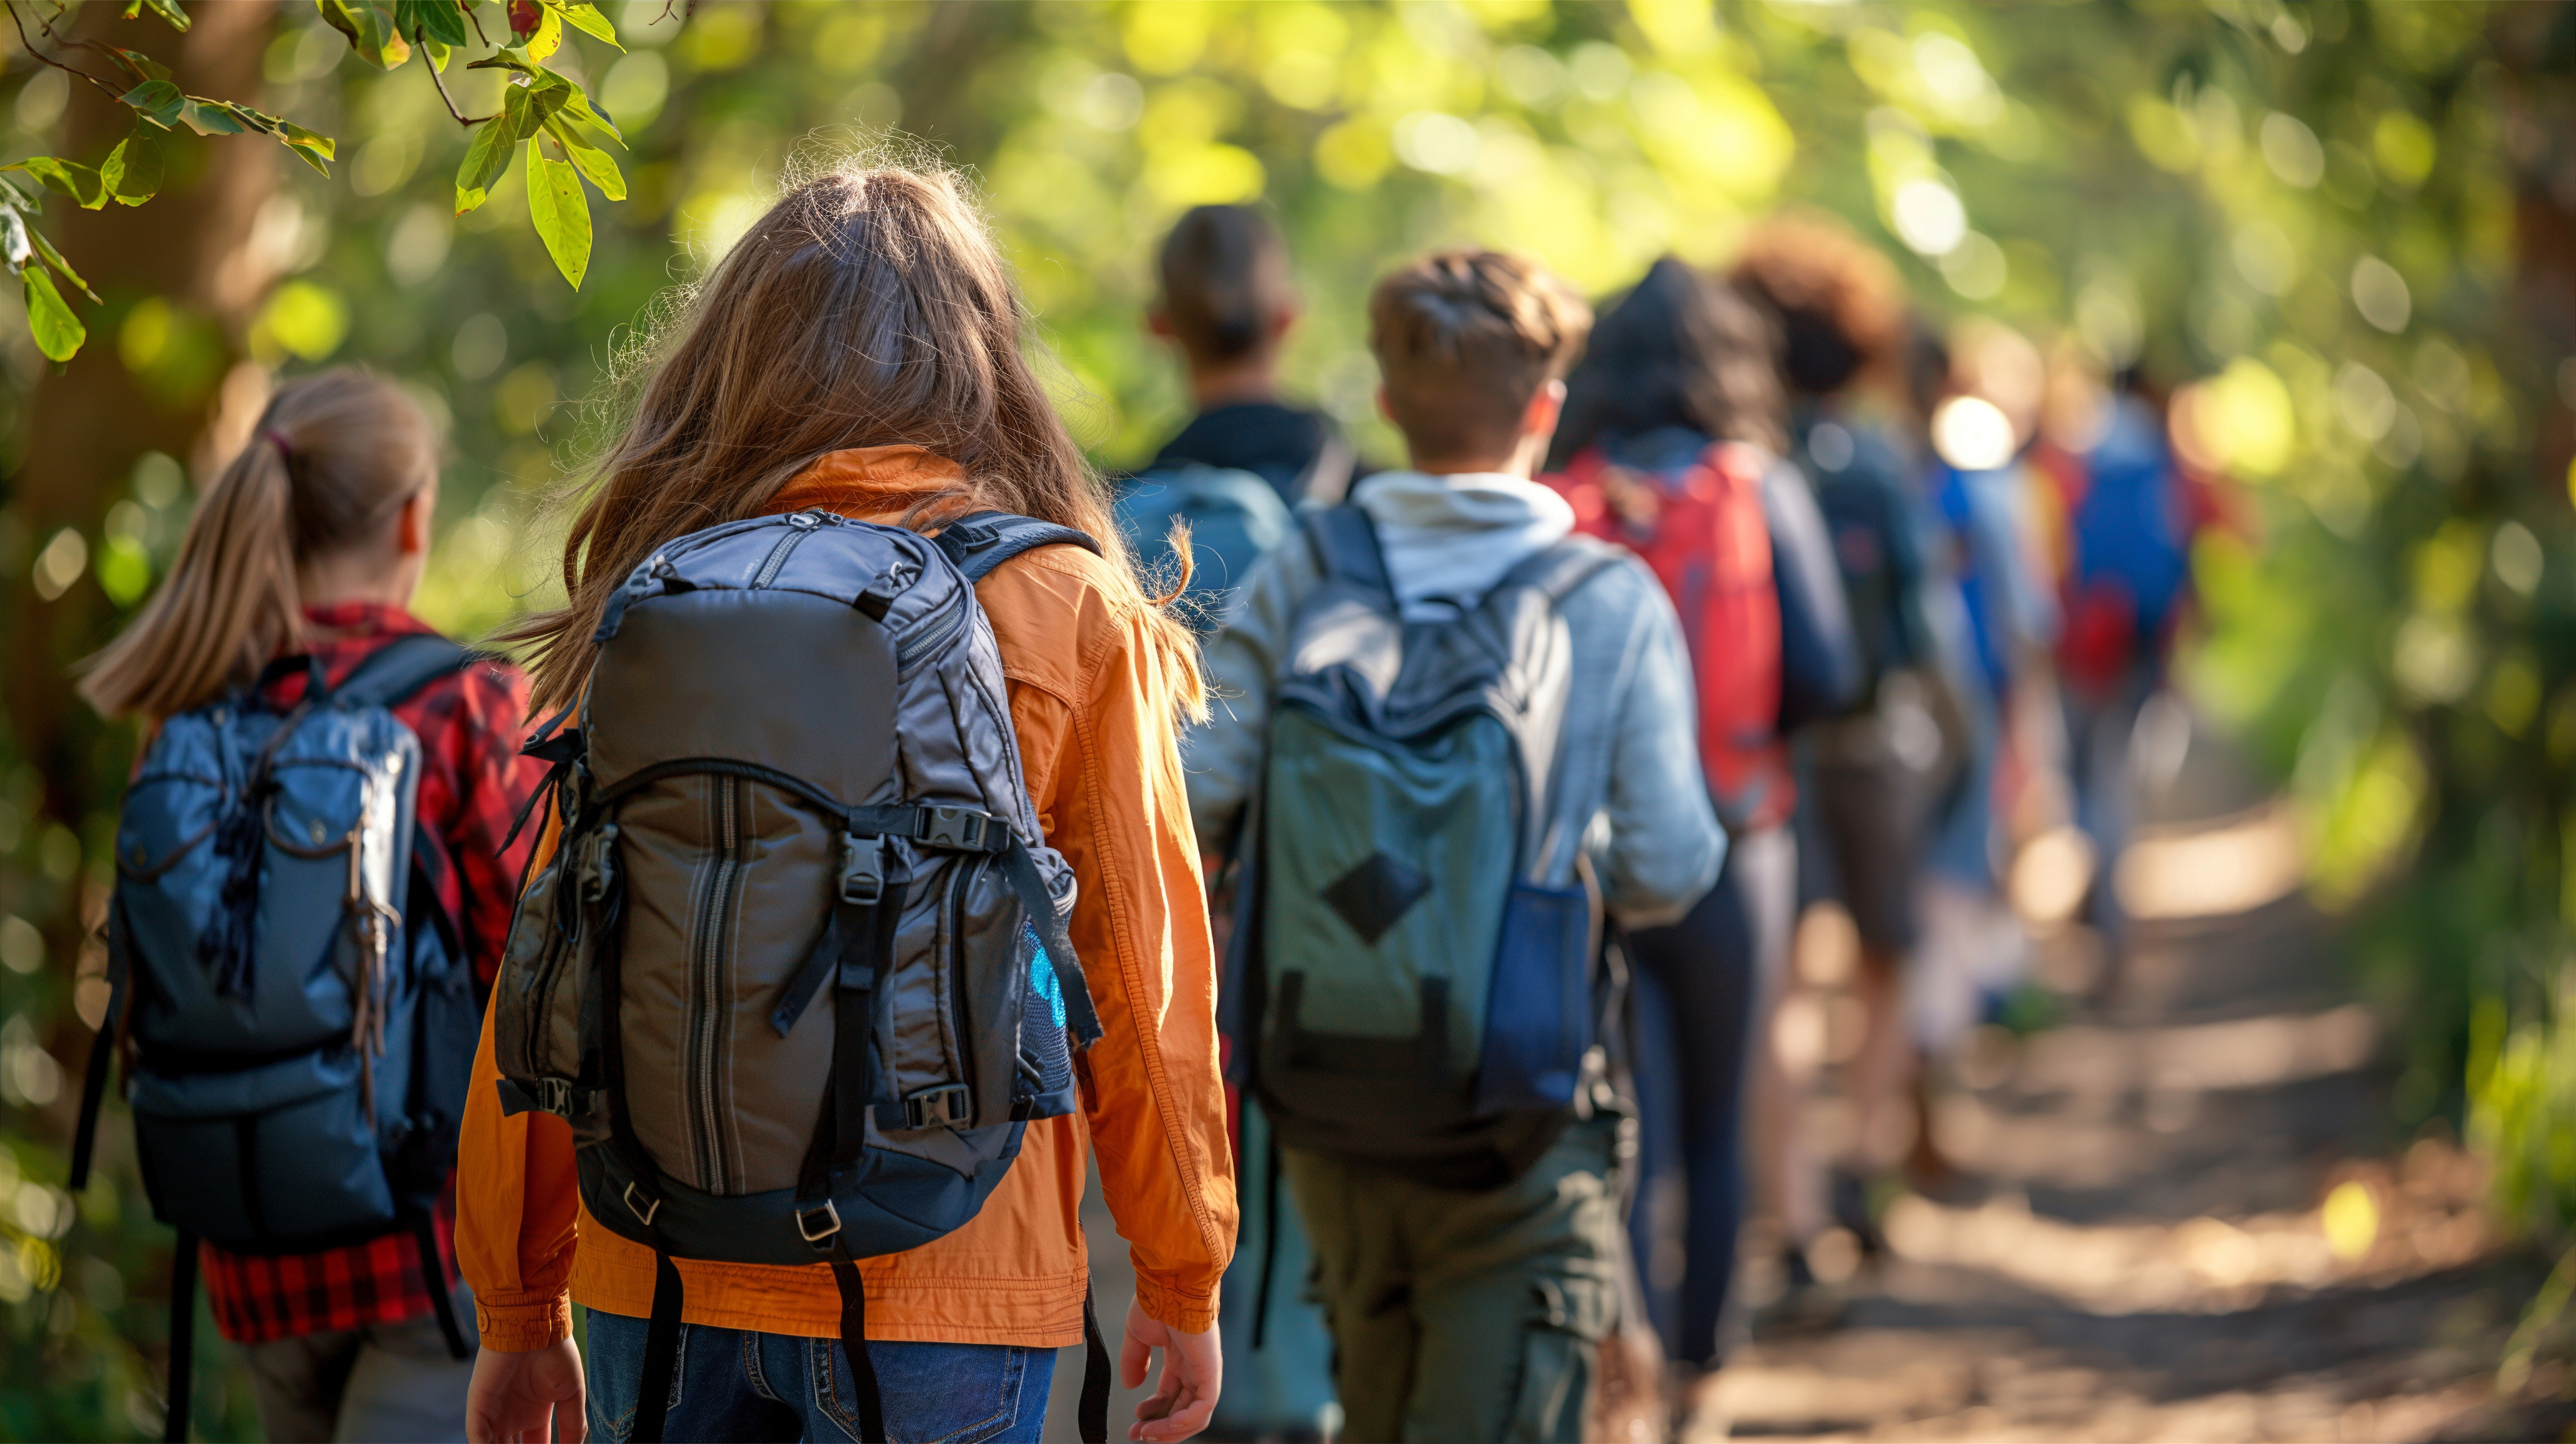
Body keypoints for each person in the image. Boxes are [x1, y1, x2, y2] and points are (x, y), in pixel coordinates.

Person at [457, 161, 1236, 1444]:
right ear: (983, 355)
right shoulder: (1066, 606)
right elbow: (1141, 987)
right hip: (952, 1276)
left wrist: (518, 1301)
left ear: (732, 357)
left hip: (659, 1262)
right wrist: (1181, 1265)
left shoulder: (660, 594)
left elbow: (553, 962)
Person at [1187, 249, 1726, 1443]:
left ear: (1386, 400)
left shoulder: (1305, 569)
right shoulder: (1605, 597)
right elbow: (1669, 866)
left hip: (1326, 1101)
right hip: (1519, 1118)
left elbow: (1193, 798)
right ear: (1547, 408)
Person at [77, 370, 545, 1443]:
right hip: (432, 1260)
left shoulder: (191, 718)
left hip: (253, 1252)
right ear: (415, 516)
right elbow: (545, 986)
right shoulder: (461, 704)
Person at [1543, 257, 1859, 1423]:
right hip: (1736, 842)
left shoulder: (1571, 489)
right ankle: (1703, 1377)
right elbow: (1828, 671)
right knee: (1720, 1119)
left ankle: (1617, 1366)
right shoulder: (1756, 485)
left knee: (1622, 1124)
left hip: (1592, 862)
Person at [1732, 217, 1966, 1290]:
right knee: (1885, 957)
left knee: (1784, 985)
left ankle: (1791, 1212)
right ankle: (1866, 1160)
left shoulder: (1744, 468)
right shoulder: (1874, 462)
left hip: (1770, 753)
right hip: (1875, 744)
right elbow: (1924, 627)